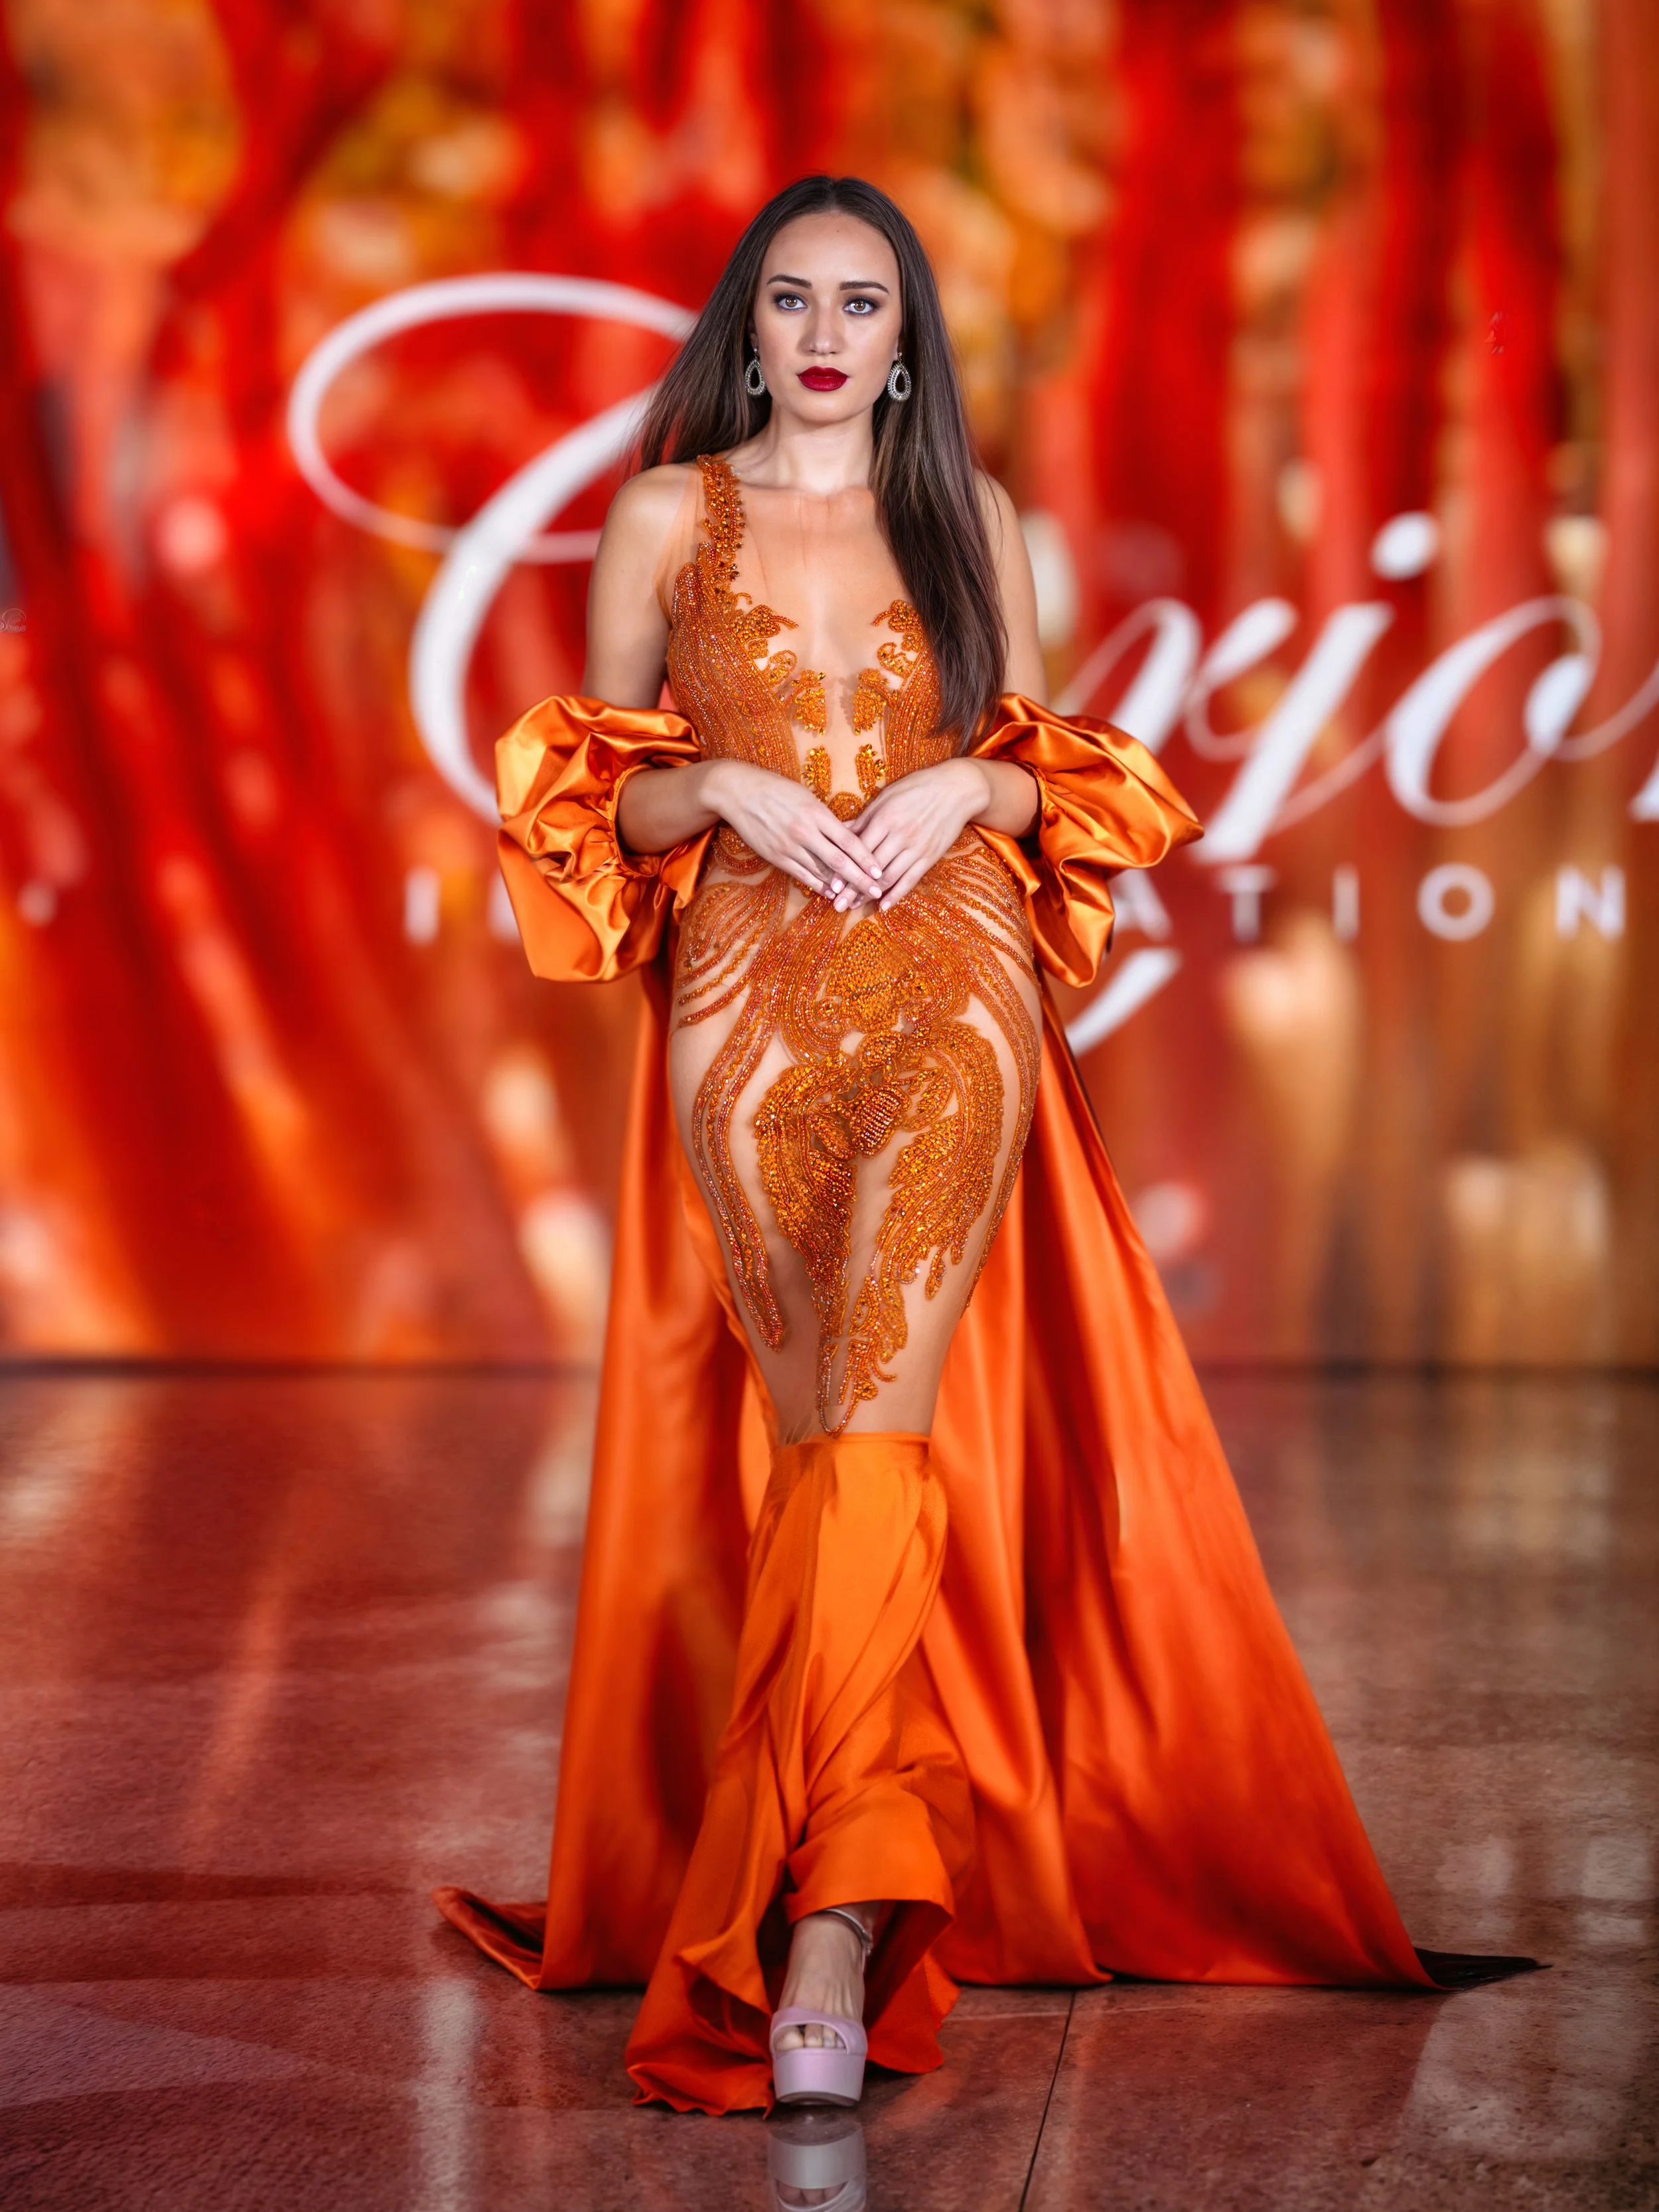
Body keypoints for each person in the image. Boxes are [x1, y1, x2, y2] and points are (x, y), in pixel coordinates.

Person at [435, 174, 1529, 2116]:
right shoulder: (665, 513)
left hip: (953, 995)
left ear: (908, 332)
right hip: (737, 1012)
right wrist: (734, 789)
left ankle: (830, 1936)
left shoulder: (971, 519)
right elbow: (586, 794)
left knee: (877, 1420)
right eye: (792, 300)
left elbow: (1048, 776)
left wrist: (962, 771)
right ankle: (826, 1867)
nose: (828, 332)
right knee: (815, 1454)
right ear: (747, 326)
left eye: (864, 300)